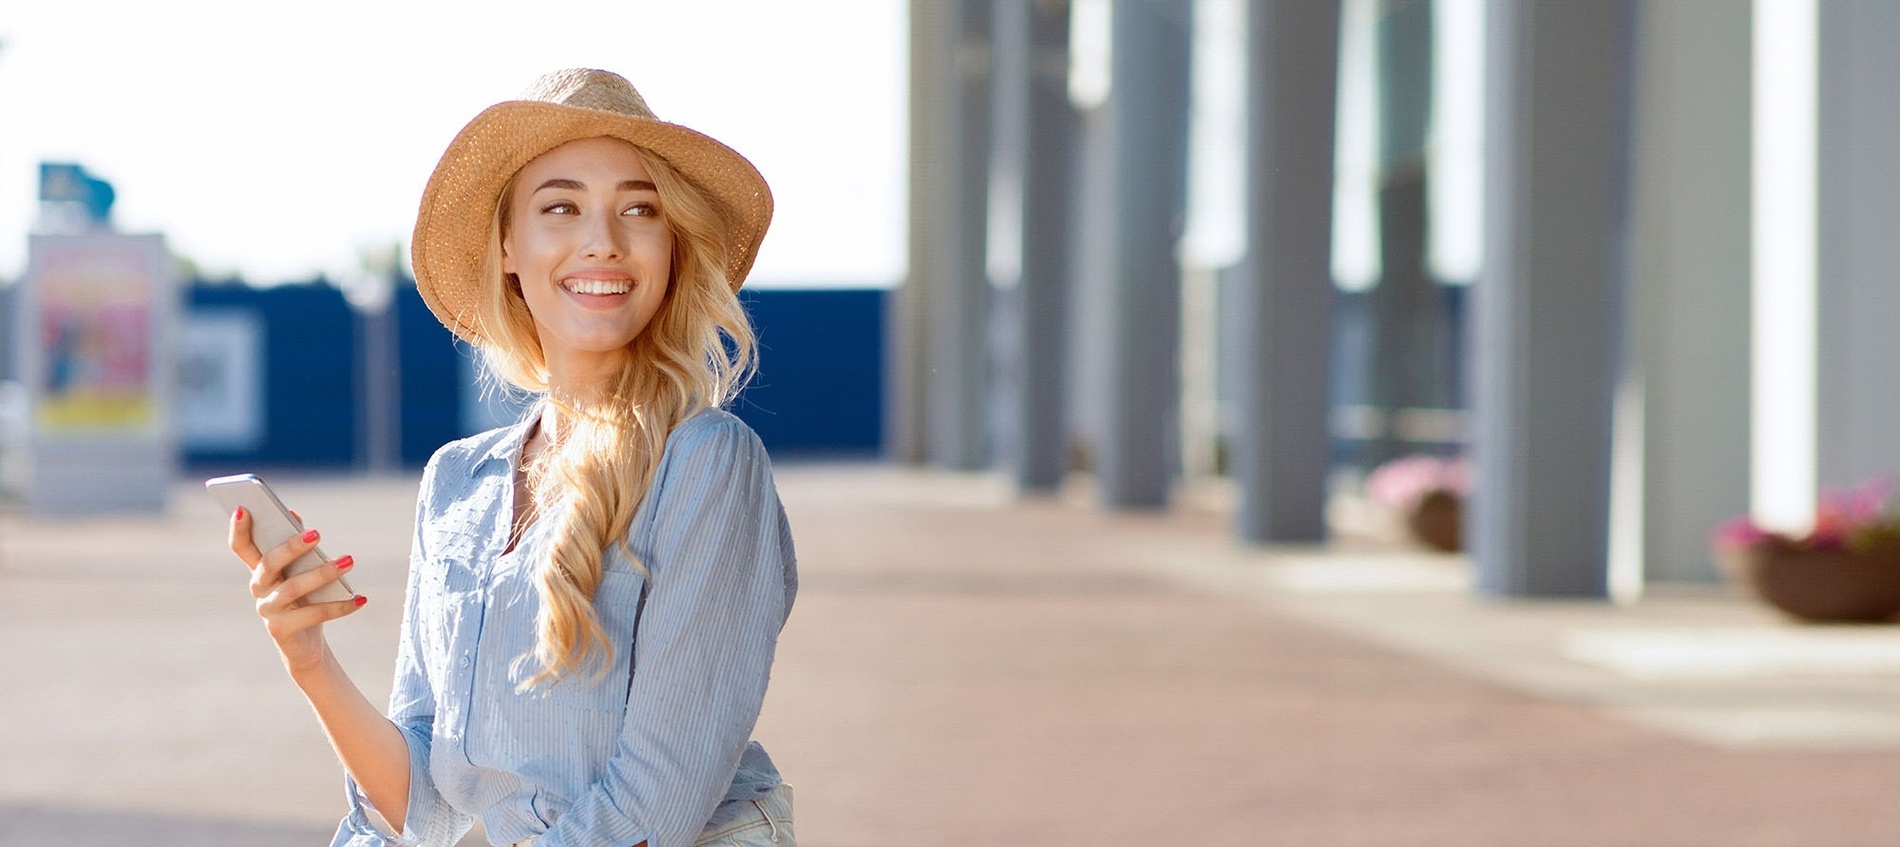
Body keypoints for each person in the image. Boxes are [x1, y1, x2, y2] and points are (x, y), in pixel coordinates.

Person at [228, 68, 798, 847]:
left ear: (671, 247)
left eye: (640, 209)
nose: (603, 239)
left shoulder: (707, 462)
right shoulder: (456, 482)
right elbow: (425, 806)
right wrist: (309, 658)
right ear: (507, 246)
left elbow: (656, 804)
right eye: (561, 207)